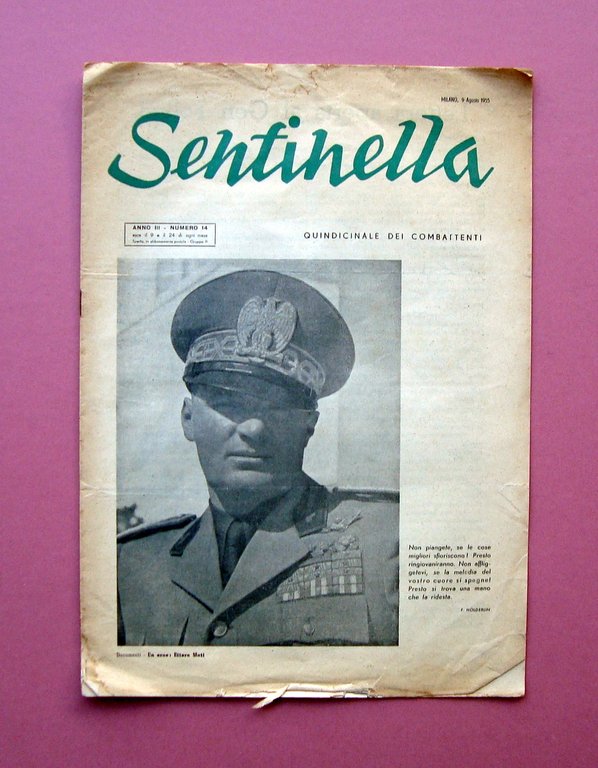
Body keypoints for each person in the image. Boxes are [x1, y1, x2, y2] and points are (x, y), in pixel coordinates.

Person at [117, 269, 399, 646]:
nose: (253, 428)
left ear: (309, 426)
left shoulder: (385, 545)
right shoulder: (132, 566)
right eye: (229, 402)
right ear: (188, 418)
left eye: (277, 408)